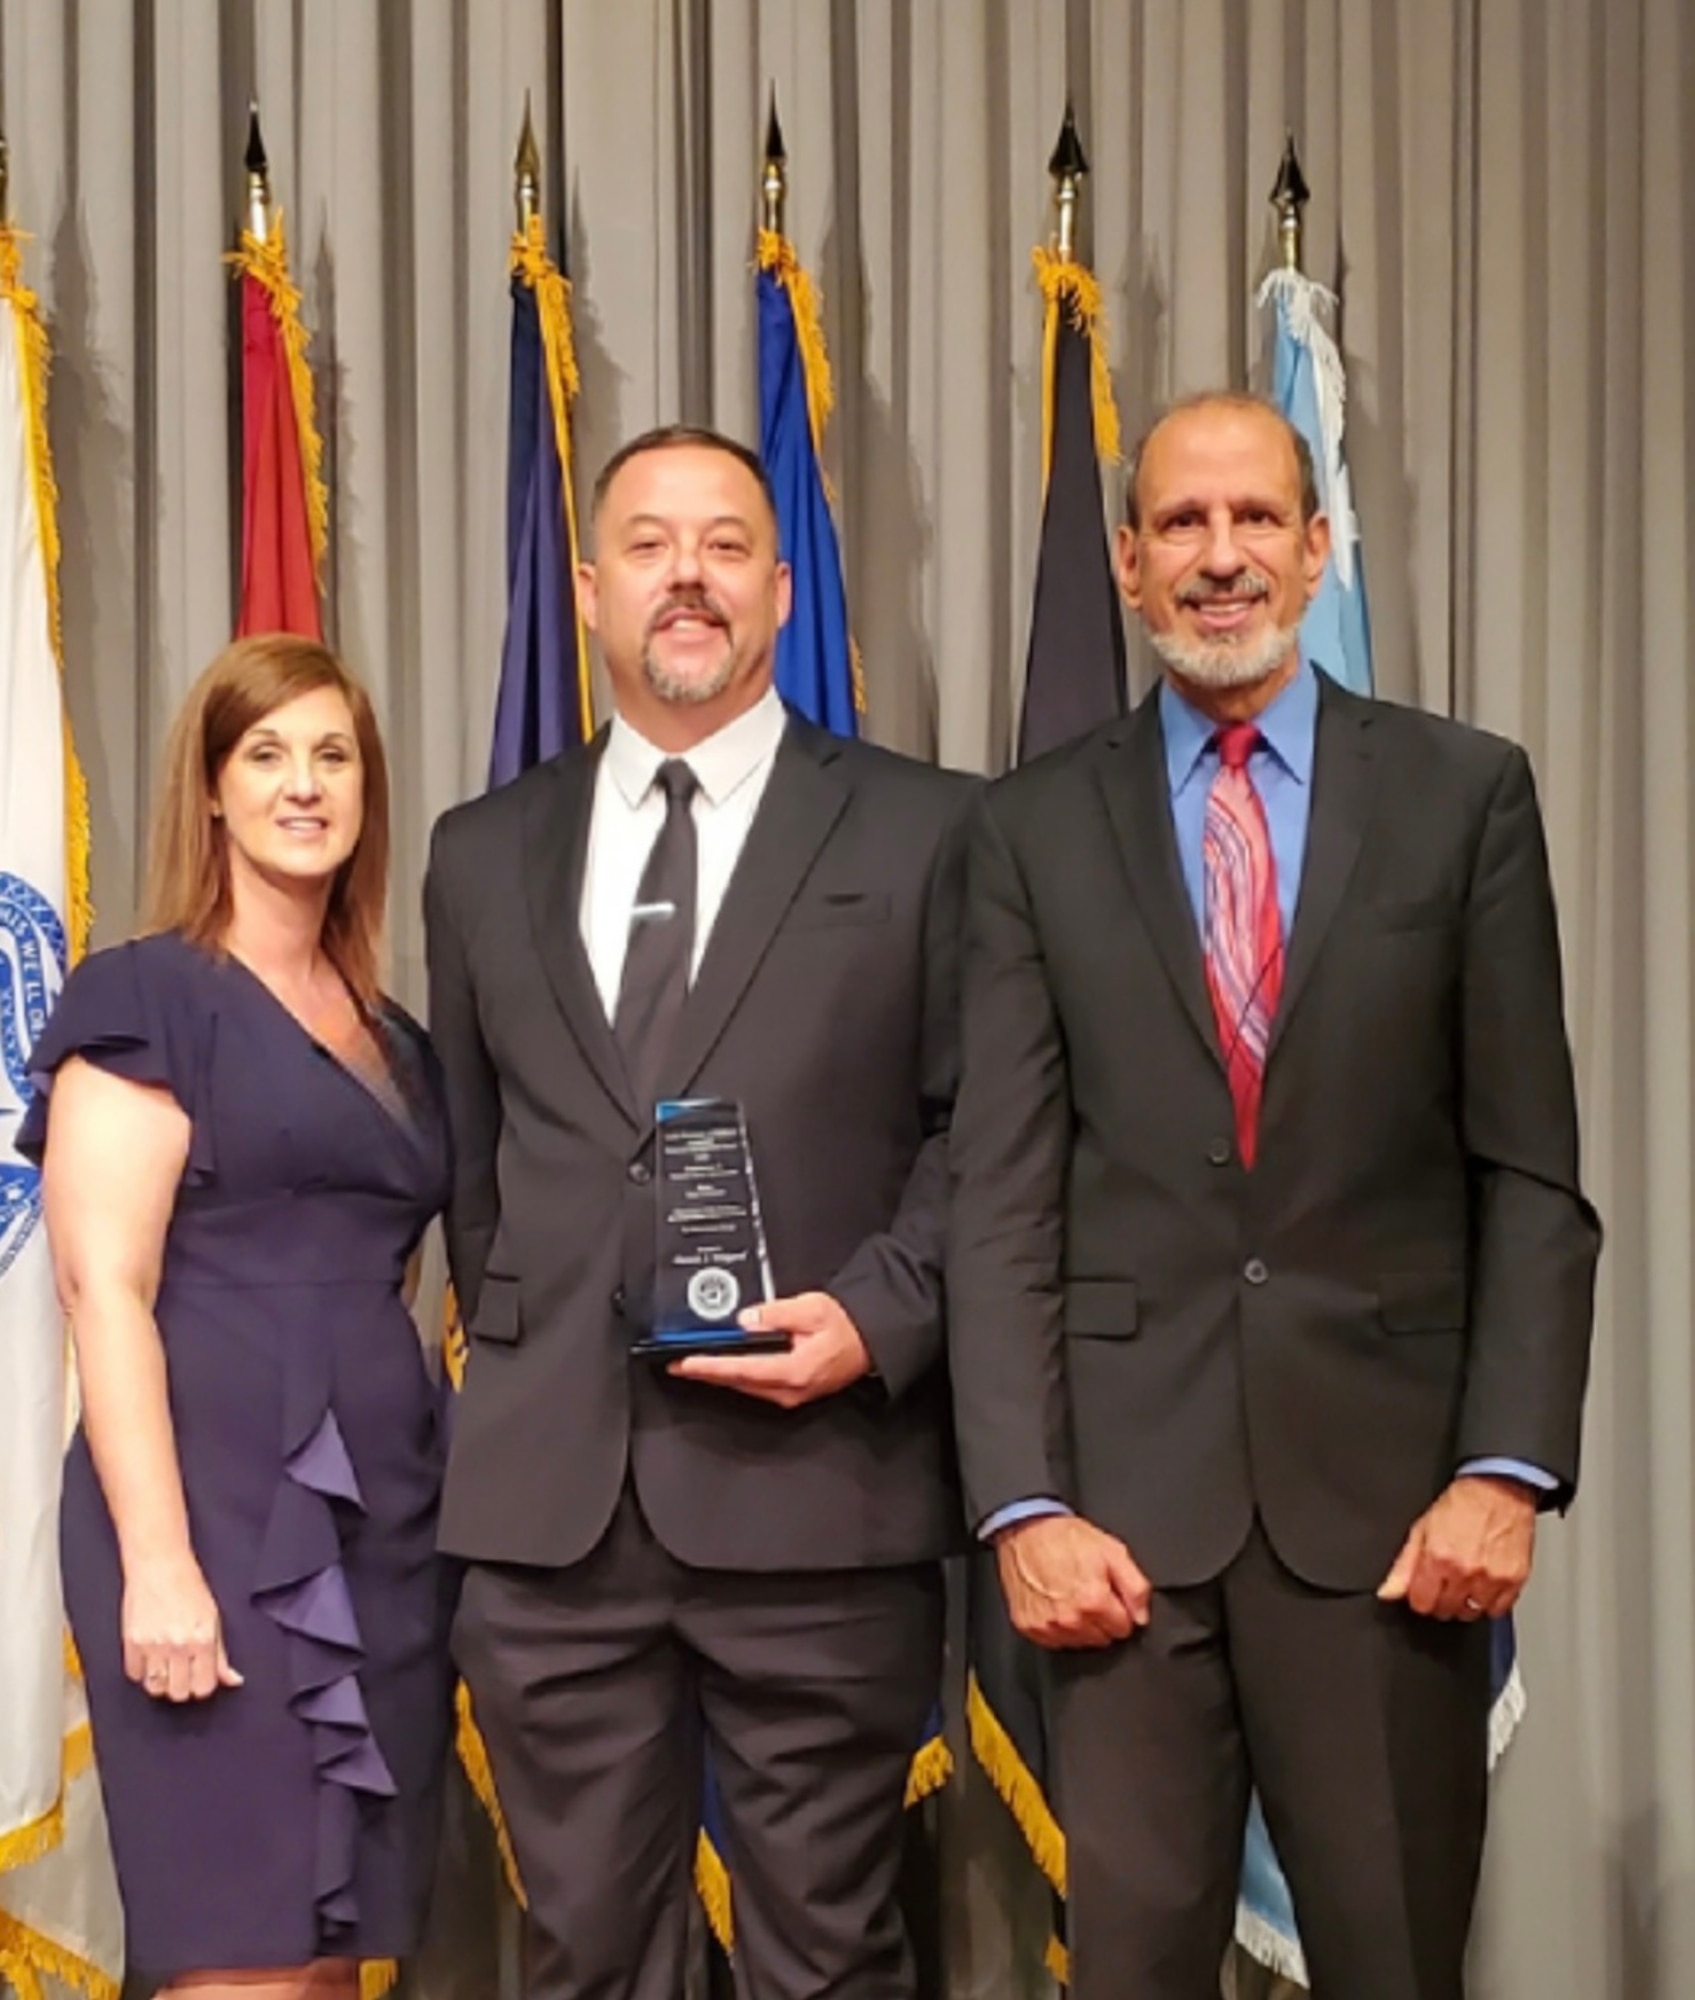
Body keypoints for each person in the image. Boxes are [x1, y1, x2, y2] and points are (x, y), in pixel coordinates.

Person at [947, 392, 1600, 2000]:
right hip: (1122, 1542)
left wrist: (1504, 1472)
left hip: (1392, 1529)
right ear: (1125, 563)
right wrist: (1023, 1504)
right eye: (1181, 523)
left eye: (1254, 521)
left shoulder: (1465, 797)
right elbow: (1004, 1197)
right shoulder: (1030, 829)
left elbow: (1527, 1176)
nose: (1219, 556)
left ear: (1317, 553)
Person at [424, 424, 970, 2000]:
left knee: (827, 1959)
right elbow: (478, 1169)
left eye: (725, 545)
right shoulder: (481, 855)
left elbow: (985, 1136)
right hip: (554, 1525)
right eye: (650, 546)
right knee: (584, 1956)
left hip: (821, 1499)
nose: (687, 576)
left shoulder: (930, 831)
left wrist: (882, 1314)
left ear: (781, 590)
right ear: (591, 591)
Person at [21, 636, 454, 1998]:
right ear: (211, 790)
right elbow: (104, 1286)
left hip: (382, 1524)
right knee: (238, 1957)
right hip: (206, 1523)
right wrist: (159, 1564)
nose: (304, 784)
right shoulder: (142, 996)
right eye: (267, 754)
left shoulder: (400, 1038)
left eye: (333, 756)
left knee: (330, 1960)